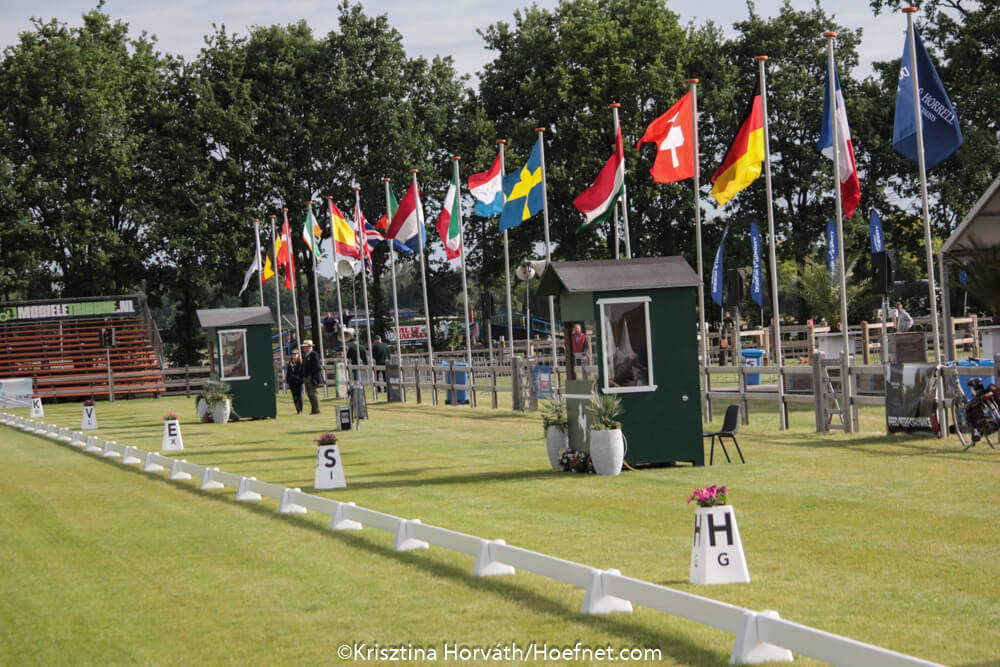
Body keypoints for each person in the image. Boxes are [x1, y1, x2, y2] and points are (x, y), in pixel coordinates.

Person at [301, 339, 323, 414]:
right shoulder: (306, 355)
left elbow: (317, 367)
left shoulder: (314, 354)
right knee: (310, 394)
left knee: (314, 394)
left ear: (309, 347)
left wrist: (311, 375)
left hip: (312, 378)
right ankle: (313, 409)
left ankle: (316, 409)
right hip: (306, 377)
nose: (303, 348)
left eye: (305, 347)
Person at [285, 346, 304, 414]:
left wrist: (298, 378)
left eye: (295, 354)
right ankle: (298, 410)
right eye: (293, 354)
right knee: (294, 396)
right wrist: (288, 379)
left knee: (299, 396)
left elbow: (302, 373)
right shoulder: (290, 363)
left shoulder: (301, 362)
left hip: (298, 382)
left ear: (298, 354)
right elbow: (288, 372)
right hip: (292, 382)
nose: (294, 355)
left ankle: (300, 409)